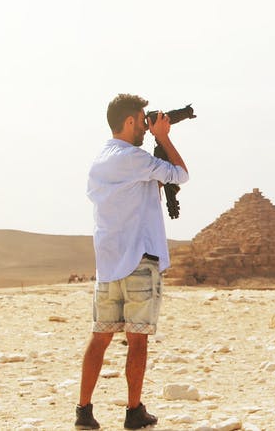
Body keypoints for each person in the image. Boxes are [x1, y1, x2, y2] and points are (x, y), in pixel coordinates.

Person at [75, 94, 189, 430]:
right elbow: (180, 174)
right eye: (142, 120)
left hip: (108, 264)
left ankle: (83, 411)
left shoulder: (99, 161)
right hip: (140, 258)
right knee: (137, 339)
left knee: (100, 336)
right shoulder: (134, 159)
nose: (145, 126)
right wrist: (164, 137)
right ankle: (133, 410)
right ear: (129, 122)